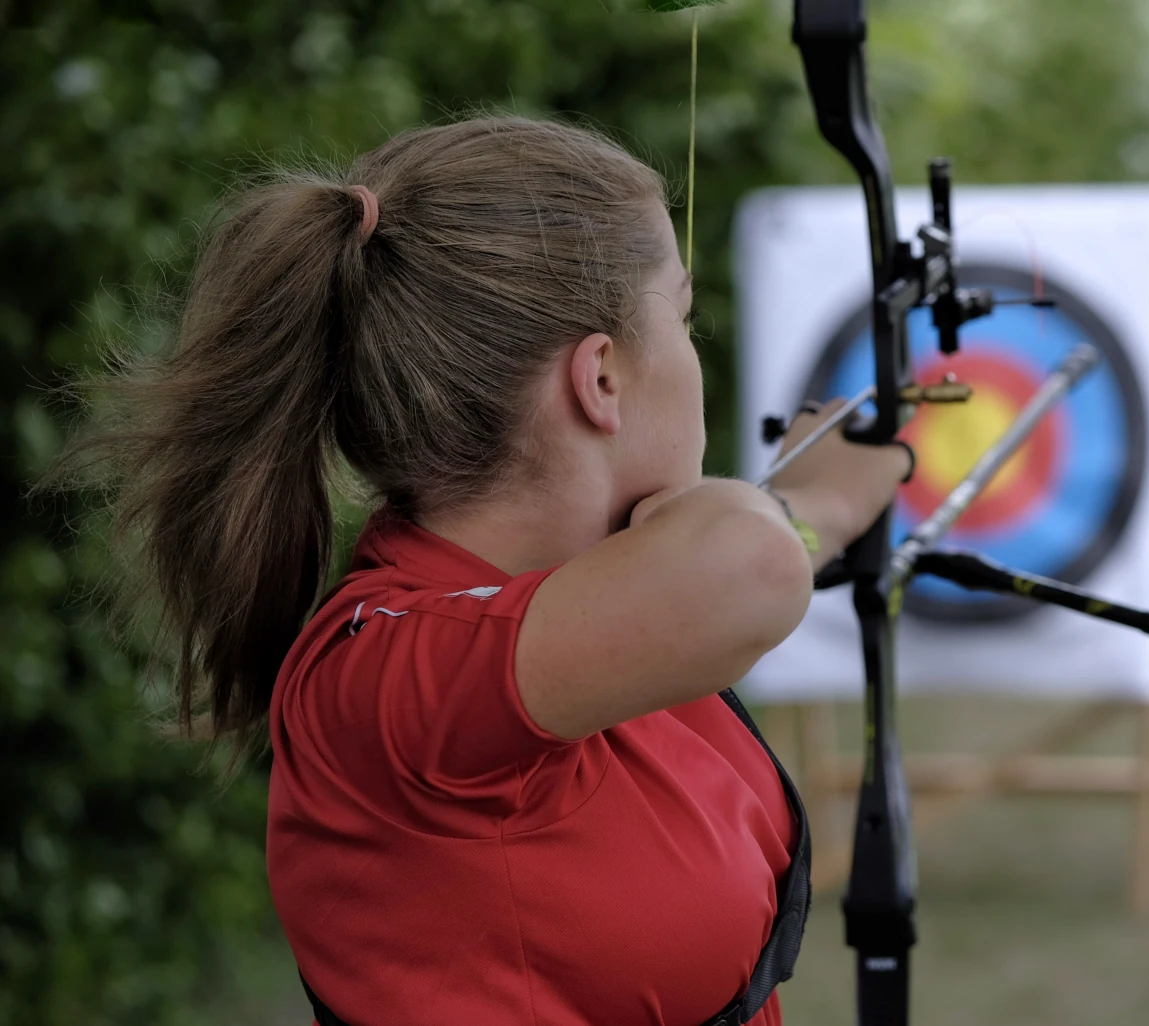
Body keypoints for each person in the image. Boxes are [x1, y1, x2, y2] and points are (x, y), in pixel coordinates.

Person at [58, 115, 910, 1024]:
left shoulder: (604, 597)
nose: (694, 350)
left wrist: (760, 520)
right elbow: (754, 563)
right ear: (601, 381)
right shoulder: (382, 673)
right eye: (684, 315)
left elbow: (729, 569)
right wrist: (821, 504)